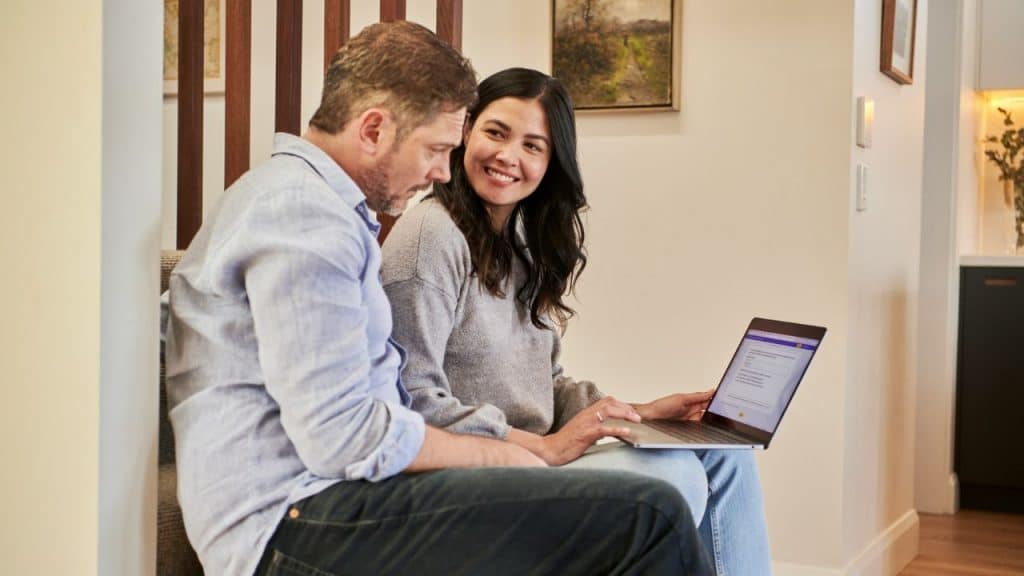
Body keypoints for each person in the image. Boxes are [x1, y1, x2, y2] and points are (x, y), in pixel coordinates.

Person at [166, 23, 712, 576]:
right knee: (652, 514)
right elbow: (344, 434)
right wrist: (514, 454)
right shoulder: (302, 216)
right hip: (295, 523)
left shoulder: (319, 212)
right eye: (435, 149)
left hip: (337, 502)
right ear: (374, 129)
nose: (441, 172)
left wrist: (619, 420)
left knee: (669, 490)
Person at [381, 67, 771, 576]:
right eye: (496, 133)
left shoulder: (518, 244)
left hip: (537, 457)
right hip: (476, 473)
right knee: (675, 477)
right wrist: (544, 446)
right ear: (466, 132)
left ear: (551, 162)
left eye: (533, 146)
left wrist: (641, 412)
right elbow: (414, 403)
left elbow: (547, 385)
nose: (508, 157)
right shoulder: (430, 237)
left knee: (724, 456)